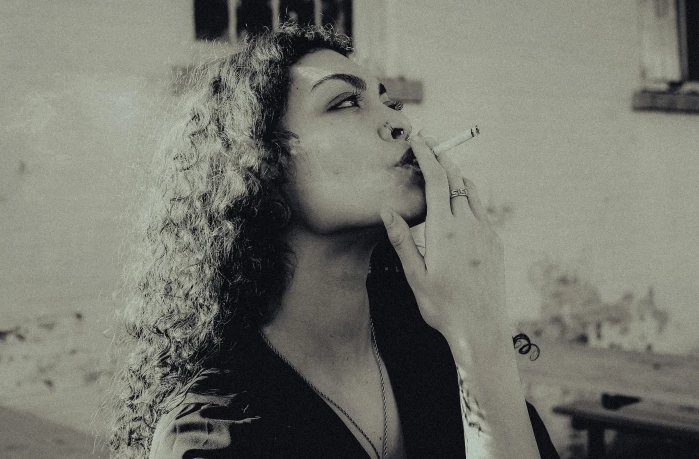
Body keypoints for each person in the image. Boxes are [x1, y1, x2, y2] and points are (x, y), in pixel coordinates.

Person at [109, 24, 559, 458]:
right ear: (258, 166)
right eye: (345, 103)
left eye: (391, 102)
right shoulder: (216, 435)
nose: (399, 124)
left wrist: (478, 333)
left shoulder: (430, 348)